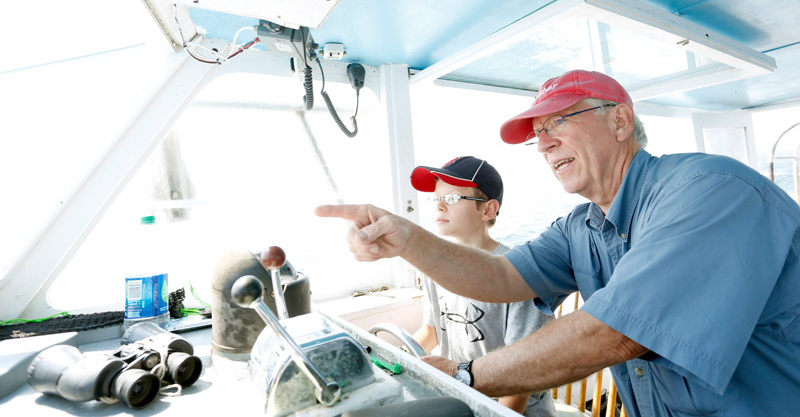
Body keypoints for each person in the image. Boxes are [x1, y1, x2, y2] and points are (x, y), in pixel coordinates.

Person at [315, 69, 800, 417]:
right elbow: (501, 275)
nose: (544, 143)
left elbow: (619, 331)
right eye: (539, 134)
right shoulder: (579, 227)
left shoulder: (709, 188)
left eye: (560, 123)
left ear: (620, 122)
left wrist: (465, 376)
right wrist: (406, 240)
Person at [409, 156, 556, 417]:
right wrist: (399, 356)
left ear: (487, 210)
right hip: (461, 401)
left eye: (453, 199)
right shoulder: (434, 266)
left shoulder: (519, 273)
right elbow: (431, 332)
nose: (439, 206)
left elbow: (522, 375)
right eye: (436, 198)